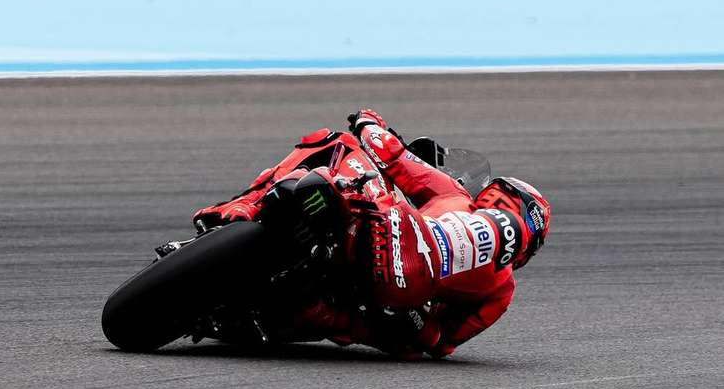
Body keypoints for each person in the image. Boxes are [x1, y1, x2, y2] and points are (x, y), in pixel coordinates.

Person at [192, 109, 550, 358]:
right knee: (367, 326)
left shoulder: (453, 197)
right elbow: (440, 343)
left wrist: (368, 120)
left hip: (389, 237)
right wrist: (410, 320)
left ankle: (242, 207)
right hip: (386, 295)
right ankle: (316, 310)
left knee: (335, 142)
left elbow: (392, 156)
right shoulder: (501, 292)